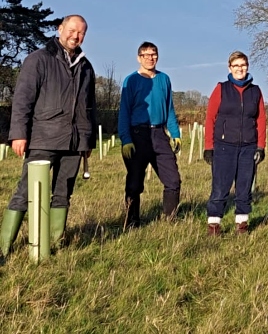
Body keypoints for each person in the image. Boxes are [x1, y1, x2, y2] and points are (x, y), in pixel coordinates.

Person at [1, 15, 96, 256]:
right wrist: (19, 134)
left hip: (74, 143)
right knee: (26, 192)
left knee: (63, 193)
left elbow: (90, 107)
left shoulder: (86, 67)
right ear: (60, 29)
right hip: (42, 138)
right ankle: (4, 247)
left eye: (81, 33)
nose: (76, 36)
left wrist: (87, 140)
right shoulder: (38, 59)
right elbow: (22, 100)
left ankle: (54, 244)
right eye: (72, 30)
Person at [118, 41, 182, 228]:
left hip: (160, 134)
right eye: (145, 55)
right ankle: (132, 221)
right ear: (139, 58)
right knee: (134, 182)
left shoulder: (164, 79)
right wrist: (126, 139)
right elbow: (124, 112)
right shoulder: (131, 81)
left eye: (153, 54)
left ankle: (170, 219)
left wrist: (175, 133)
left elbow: (169, 108)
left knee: (173, 180)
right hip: (138, 134)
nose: (150, 58)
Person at [203, 51, 266, 235]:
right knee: (220, 186)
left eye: (243, 65)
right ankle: (214, 224)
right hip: (224, 146)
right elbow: (210, 118)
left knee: (244, 187)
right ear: (230, 68)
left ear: (248, 66)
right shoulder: (221, 89)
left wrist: (260, 146)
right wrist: (209, 147)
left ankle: (242, 224)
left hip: (248, 146)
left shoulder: (255, 91)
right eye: (236, 65)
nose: (240, 68)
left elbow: (261, 119)